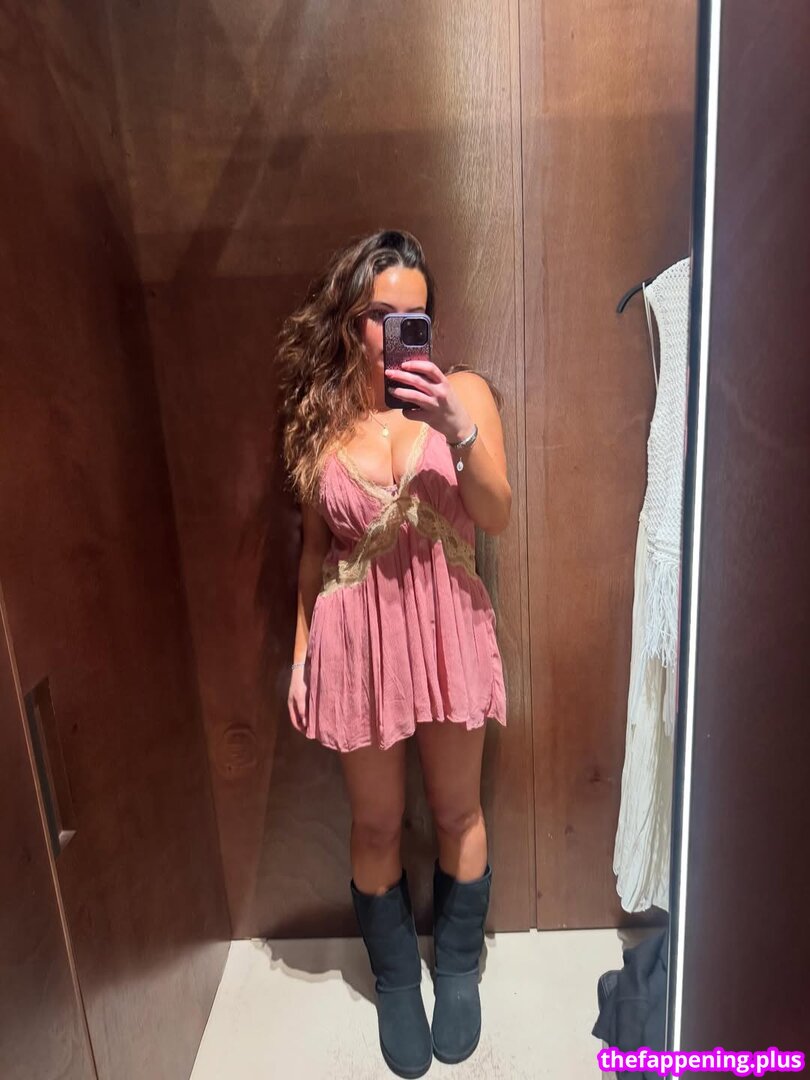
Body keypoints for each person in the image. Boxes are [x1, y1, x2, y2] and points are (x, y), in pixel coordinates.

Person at [278, 229, 510, 1078]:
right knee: (376, 822)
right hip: (358, 646)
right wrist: (301, 657)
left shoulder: (465, 394)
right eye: (381, 314)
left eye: (415, 315)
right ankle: (396, 980)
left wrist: (457, 428)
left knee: (457, 812)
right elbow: (313, 554)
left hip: (446, 628)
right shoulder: (321, 421)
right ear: (351, 319)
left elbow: (496, 514)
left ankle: (457, 968)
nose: (398, 331)